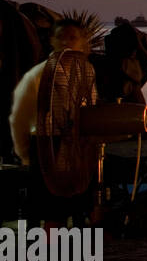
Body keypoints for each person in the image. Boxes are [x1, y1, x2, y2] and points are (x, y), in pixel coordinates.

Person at [9, 17, 90, 166]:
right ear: (52, 40)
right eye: (60, 37)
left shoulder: (83, 72)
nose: (65, 42)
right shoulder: (37, 75)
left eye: (72, 38)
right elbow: (19, 120)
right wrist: (26, 157)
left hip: (75, 149)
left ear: (82, 41)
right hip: (45, 148)